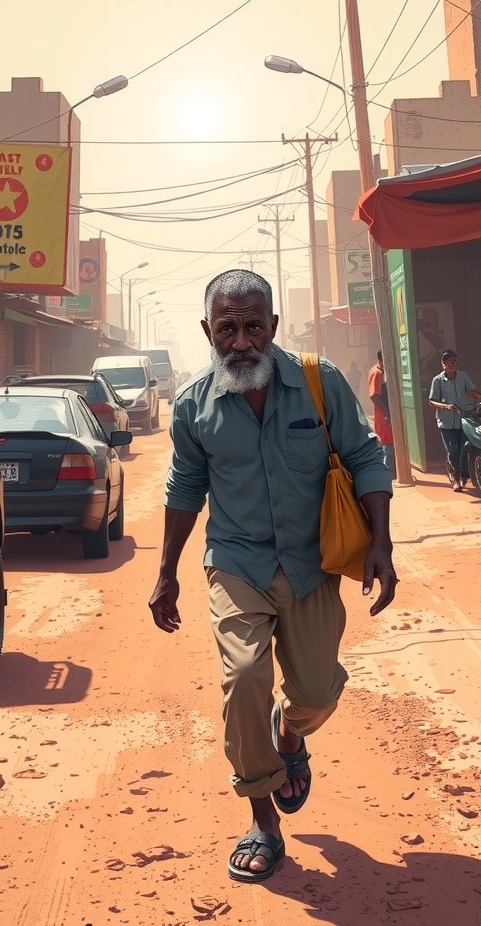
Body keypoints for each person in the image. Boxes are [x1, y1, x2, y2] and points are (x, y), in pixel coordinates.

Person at [148, 269, 398, 884]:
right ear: (208, 331)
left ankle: (289, 735)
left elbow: (364, 455)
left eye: (253, 326)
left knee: (315, 691)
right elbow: (185, 488)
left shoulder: (320, 383)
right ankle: (263, 819)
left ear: (273, 327)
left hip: (312, 564)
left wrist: (383, 544)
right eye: (227, 329)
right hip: (237, 563)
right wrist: (166, 574)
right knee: (244, 676)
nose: (241, 343)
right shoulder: (193, 406)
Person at [428, 350, 481, 492]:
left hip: (463, 419)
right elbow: (431, 401)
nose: (453, 363)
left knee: (466, 447)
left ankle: (464, 472)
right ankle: (456, 480)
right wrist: (446, 406)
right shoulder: (437, 380)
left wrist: (480, 396)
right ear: (443, 364)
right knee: (453, 450)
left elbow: (471, 390)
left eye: (455, 361)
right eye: (450, 361)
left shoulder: (462, 376)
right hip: (446, 423)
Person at [368, 351, 396, 480]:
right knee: (388, 448)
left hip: (385, 415)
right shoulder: (377, 373)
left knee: (388, 446)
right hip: (384, 417)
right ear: (381, 360)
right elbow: (374, 396)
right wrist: (387, 413)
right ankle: (387, 476)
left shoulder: (381, 371)